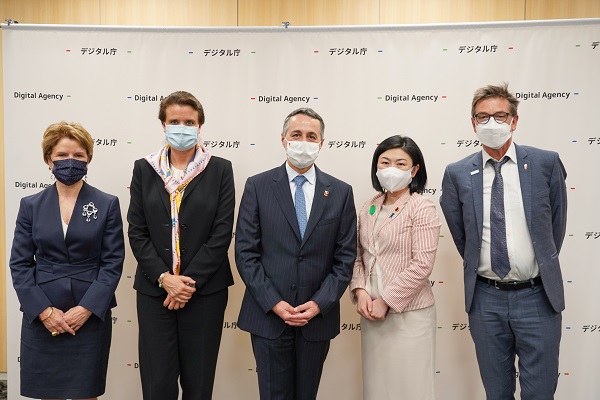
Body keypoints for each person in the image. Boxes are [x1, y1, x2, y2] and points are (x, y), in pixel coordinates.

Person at [440, 83, 568, 400]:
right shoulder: (456, 173)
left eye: (500, 115)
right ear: (472, 124)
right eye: (482, 117)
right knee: (497, 393)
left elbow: (555, 227)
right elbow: (462, 237)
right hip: (486, 299)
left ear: (514, 120)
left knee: (540, 393)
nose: (491, 123)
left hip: (537, 297)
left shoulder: (545, 163)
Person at [235, 108, 357, 400]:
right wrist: (274, 302)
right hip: (268, 317)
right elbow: (245, 252)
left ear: (322, 143)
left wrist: (319, 303)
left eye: (311, 136)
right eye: (296, 135)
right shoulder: (258, 185)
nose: (304, 141)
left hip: (316, 320)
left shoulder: (340, 192)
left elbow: (345, 258)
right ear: (283, 139)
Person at [127, 91, 235, 400]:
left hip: (204, 293)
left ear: (200, 126)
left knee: (198, 383)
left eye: (189, 122)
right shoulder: (144, 168)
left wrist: (186, 283)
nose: (182, 127)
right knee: (157, 382)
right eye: (175, 121)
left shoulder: (220, 169)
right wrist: (165, 279)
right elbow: (137, 231)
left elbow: (221, 233)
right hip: (154, 291)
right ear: (163, 125)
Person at [9, 121, 125, 400]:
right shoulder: (30, 205)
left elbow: (112, 263)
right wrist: (45, 312)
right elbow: (20, 264)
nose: (70, 162)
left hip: (89, 315)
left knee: (87, 393)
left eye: (78, 155)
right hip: (42, 314)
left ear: (89, 159)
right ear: (48, 159)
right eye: (62, 155)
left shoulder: (107, 203)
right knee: (47, 393)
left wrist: (86, 308)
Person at [350, 135, 440, 400]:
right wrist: (360, 291)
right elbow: (358, 257)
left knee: (411, 388)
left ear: (414, 170)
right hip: (371, 315)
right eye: (385, 162)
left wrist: (387, 300)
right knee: (378, 387)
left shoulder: (422, 207)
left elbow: (422, 264)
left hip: (409, 315)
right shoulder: (369, 206)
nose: (391, 169)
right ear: (376, 168)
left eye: (401, 164)